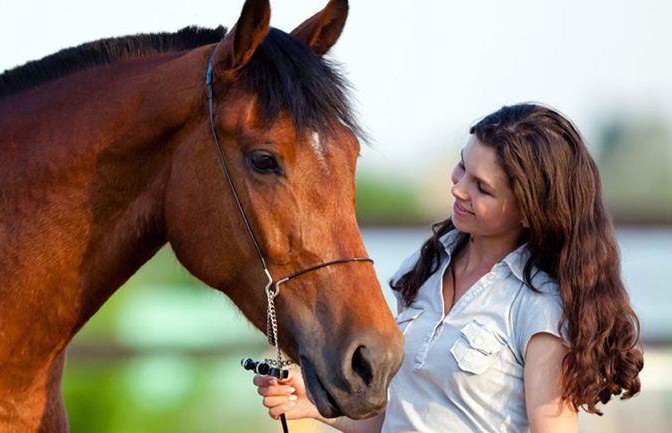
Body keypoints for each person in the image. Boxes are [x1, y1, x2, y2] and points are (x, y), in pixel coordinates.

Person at [253, 103, 644, 433]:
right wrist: (314, 403)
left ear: (528, 211)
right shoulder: (425, 268)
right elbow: (397, 417)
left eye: (482, 187)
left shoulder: (539, 307)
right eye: (462, 168)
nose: (458, 188)